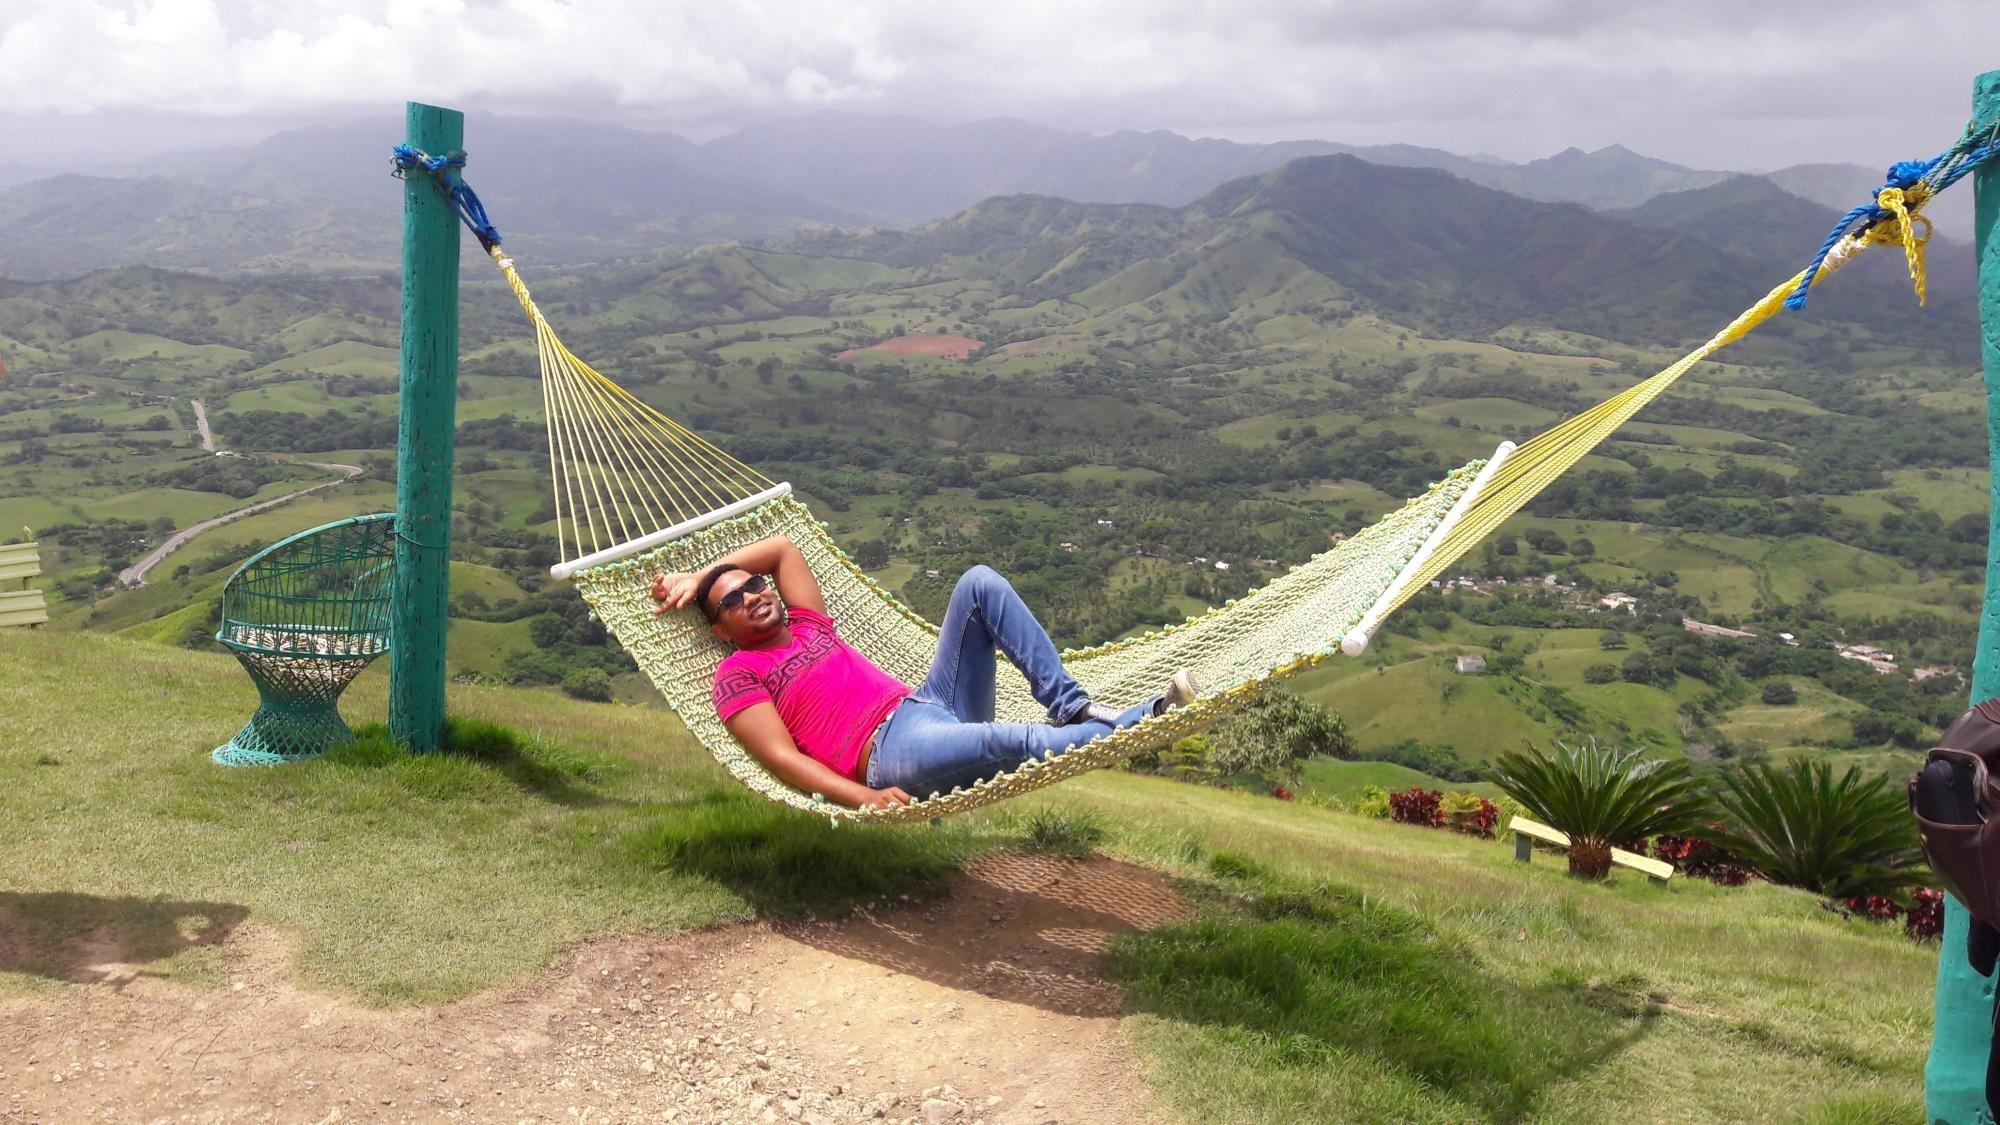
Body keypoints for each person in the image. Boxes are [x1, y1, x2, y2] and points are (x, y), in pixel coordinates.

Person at [651, 535, 1198, 810]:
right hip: (891, 753)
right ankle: (1146, 719)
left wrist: (702, 576)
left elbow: (783, 550)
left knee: (979, 583)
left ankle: (1072, 705)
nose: (751, 597)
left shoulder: (809, 625)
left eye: (753, 586)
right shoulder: (739, 674)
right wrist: (863, 798)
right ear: (721, 631)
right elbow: (780, 758)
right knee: (1017, 740)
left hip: (927, 705)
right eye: (732, 602)